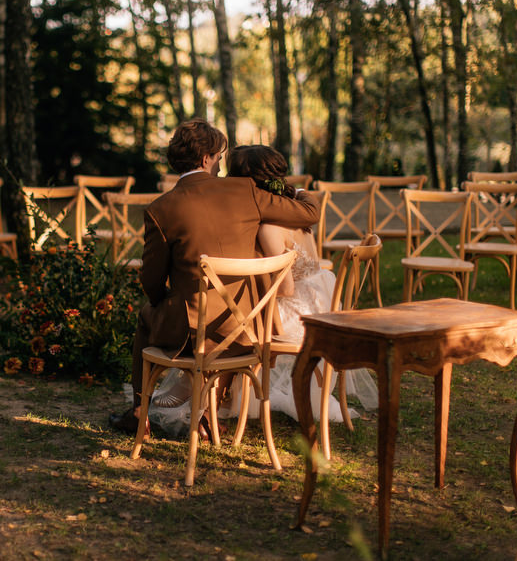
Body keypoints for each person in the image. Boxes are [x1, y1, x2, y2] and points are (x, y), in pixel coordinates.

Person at [109, 121, 321, 435]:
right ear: (206, 158)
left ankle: (140, 411)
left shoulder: (160, 208)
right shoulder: (244, 191)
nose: (221, 163)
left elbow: (151, 281)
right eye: (219, 156)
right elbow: (309, 213)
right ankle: (207, 413)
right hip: (248, 330)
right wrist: (297, 190)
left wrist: (166, 303)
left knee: (146, 316)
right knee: (221, 316)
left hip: (192, 331)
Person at [149, 144, 378, 435]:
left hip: (298, 314)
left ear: (246, 182)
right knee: (239, 318)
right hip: (321, 306)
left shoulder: (268, 227)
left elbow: (285, 288)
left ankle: (197, 394)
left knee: (236, 320)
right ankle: (207, 401)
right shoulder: (294, 213)